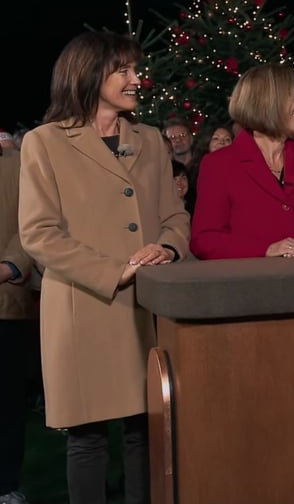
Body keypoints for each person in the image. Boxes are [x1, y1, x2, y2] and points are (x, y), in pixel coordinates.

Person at [18, 30, 191, 504]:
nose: (137, 79)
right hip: (84, 307)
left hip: (146, 307)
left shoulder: (151, 140)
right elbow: (38, 234)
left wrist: (168, 249)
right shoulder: (44, 143)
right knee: (88, 438)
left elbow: (175, 216)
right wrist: (116, 270)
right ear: (90, 75)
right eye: (125, 71)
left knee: (144, 432)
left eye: (136, 70)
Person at [190, 64, 294, 259]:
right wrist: (267, 250)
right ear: (266, 103)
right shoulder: (219, 164)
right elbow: (205, 240)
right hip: (250, 285)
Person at [1, 151, 35, 504]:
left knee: (7, 405)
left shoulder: (18, 164)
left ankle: (6, 485)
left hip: (5, 304)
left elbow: (32, 223)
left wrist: (9, 267)